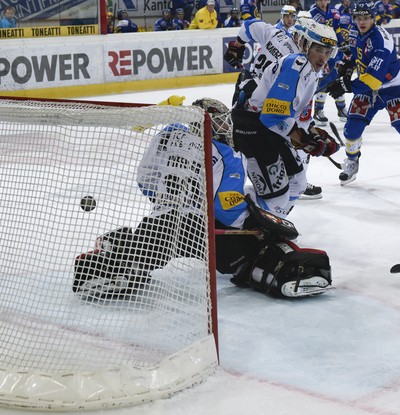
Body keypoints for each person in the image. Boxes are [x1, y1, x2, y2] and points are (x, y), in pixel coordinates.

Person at [73, 97, 332, 299]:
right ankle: (279, 273)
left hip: (161, 222)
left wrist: (167, 200)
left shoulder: (168, 134)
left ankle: (111, 257)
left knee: (146, 249)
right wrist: (255, 224)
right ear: (205, 123)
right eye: (219, 121)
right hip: (201, 230)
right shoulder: (227, 154)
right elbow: (227, 210)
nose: (225, 127)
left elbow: (145, 178)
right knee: (245, 258)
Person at [230, 20, 341, 218]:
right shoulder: (296, 66)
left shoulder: (306, 66)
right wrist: (304, 140)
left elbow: (289, 113)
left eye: (327, 51)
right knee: (276, 197)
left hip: (266, 123)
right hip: (253, 128)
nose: (323, 57)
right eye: (318, 49)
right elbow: (272, 115)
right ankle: (253, 226)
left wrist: (314, 134)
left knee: (298, 183)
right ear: (304, 43)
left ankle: (271, 221)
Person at [325, 1, 400, 186]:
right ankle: (352, 162)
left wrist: (346, 87)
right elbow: (356, 55)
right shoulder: (355, 32)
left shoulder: (381, 42)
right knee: (352, 126)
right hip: (367, 86)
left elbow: (373, 80)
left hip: (392, 86)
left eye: (366, 18)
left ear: (373, 18)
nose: (362, 22)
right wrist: (348, 67)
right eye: (358, 18)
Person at [309, 0, 346, 126]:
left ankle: (341, 108)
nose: (322, 2)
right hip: (322, 53)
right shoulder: (312, 14)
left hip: (335, 52)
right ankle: (318, 110)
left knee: (339, 78)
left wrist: (343, 44)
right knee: (323, 81)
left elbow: (338, 30)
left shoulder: (335, 12)